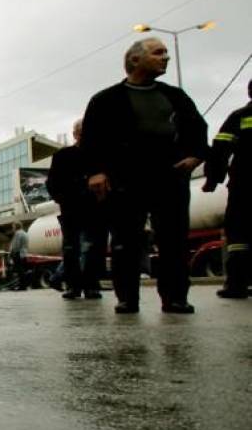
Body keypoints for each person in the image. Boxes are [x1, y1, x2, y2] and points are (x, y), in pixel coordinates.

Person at [83, 37, 209, 314]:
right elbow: (92, 139)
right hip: (127, 179)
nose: (166, 57)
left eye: (166, 52)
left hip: (170, 176)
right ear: (135, 60)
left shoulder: (175, 96)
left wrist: (196, 155)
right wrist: (96, 172)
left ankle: (175, 297)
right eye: (158, 53)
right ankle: (128, 298)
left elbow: (198, 127)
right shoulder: (106, 100)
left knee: (174, 239)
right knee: (126, 241)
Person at [46, 118, 107, 300]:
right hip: (71, 210)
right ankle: (73, 286)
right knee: (71, 249)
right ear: (75, 135)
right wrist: (62, 199)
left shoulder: (100, 155)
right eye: (81, 133)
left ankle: (92, 285)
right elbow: (52, 183)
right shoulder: (62, 156)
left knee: (94, 248)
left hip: (95, 209)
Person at [203, 79, 252, 299]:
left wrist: (213, 179)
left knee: (239, 236)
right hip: (244, 184)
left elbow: (220, 149)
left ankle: (237, 285)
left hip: (245, 185)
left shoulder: (239, 117)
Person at [9, 222, 30, 290]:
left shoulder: (17, 233)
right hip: (24, 254)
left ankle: (22, 286)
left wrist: (11, 253)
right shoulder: (25, 233)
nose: (12, 228)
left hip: (19, 254)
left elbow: (16, 245)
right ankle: (24, 285)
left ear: (16, 227)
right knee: (23, 271)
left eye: (13, 227)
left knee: (19, 271)